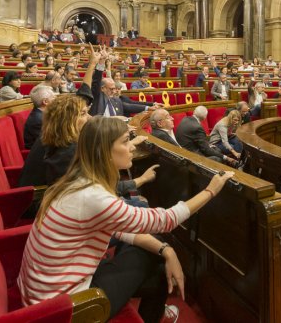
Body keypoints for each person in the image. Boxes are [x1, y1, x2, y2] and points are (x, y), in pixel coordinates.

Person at [18, 114, 234, 322]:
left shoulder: (77, 181)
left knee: (154, 259)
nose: (132, 146)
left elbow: (118, 229)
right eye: (125, 142)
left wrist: (166, 249)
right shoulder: (93, 196)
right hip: (65, 308)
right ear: (103, 151)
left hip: (46, 295)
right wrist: (210, 191)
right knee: (155, 263)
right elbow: (165, 220)